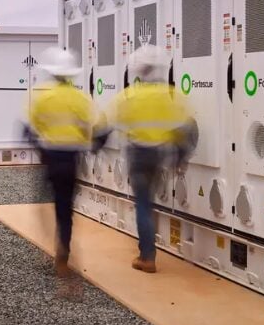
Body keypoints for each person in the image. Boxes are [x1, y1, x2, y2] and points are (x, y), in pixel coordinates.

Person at [110, 45, 196, 273]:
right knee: (151, 204)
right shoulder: (172, 96)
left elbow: (110, 124)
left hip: (138, 155)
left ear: (137, 70)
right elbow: (187, 129)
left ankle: (147, 256)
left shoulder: (128, 96)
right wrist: (181, 157)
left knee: (143, 205)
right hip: (160, 156)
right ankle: (148, 249)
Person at [26, 47, 105, 279]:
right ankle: (64, 251)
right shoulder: (81, 98)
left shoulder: (43, 96)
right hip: (71, 158)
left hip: (50, 157)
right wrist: (92, 147)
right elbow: (99, 128)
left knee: (43, 204)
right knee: (65, 208)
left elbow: (31, 128)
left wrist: (40, 149)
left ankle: (52, 243)